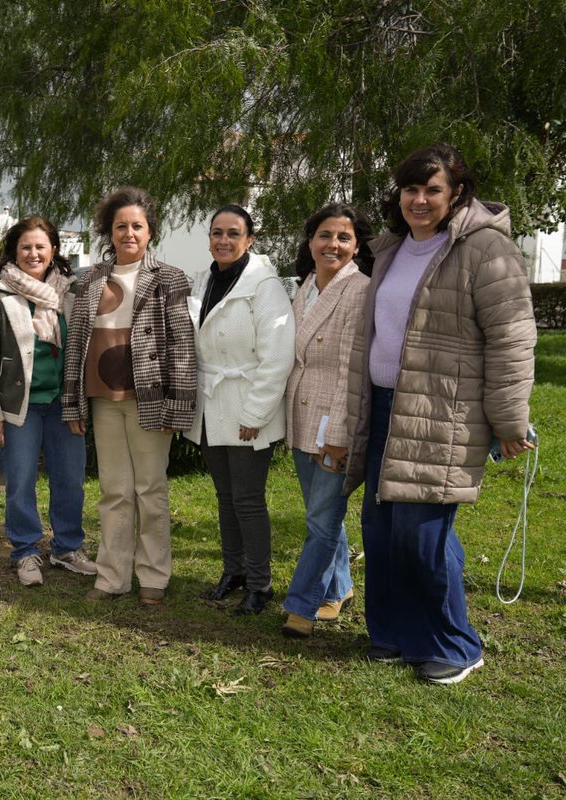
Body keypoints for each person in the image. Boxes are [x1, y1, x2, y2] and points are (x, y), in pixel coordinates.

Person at [344, 144, 536, 684]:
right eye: (411, 189)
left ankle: (455, 644)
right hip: (382, 406)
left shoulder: (486, 250)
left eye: (433, 189)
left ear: (456, 193)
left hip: (441, 412)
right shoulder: (388, 249)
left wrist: (509, 418)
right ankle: (392, 633)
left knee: (423, 533)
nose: (420, 200)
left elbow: (513, 339)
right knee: (381, 530)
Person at [63, 187, 197, 605]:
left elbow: (182, 346)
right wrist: (73, 403)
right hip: (103, 400)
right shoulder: (89, 280)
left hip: (150, 398)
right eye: (121, 226)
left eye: (137, 225)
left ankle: (154, 576)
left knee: (150, 490)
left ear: (150, 232)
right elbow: (76, 345)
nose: (129, 233)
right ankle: (112, 576)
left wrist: (179, 404)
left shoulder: (169, 278)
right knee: (114, 490)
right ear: (110, 231)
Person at [0, 216, 96, 587]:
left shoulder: (68, 296)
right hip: (18, 409)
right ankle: (26, 550)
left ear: (54, 251)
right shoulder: (0, 298)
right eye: (26, 246)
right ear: (14, 251)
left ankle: (67, 548)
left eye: (41, 246)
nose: (33, 253)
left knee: (70, 480)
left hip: (64, 405)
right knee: (20, 482)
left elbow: (82, 351)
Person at [185, 205, 295, 616]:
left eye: (234, 233)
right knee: (224, 496)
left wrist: (256, 413)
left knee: (248, 499)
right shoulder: (205, 281)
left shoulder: (265, 286)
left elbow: (278, 356)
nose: (224, 240)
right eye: (217, 233)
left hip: (247, 405)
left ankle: (260, 583)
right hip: (212, 405)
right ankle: (233, 572)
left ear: (250, 240)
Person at [279, 204, 372, 638]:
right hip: (301, 415)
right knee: (323, 516)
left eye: (343, 238)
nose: (332, 244)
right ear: (310, 240)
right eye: (325, 235)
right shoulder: (305, 287)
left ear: (356, 246)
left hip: (334, 420)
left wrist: (339, 436)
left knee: (321, 519)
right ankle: (340, 587)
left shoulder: (359, 291)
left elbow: (352, 370)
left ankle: (304, 604)